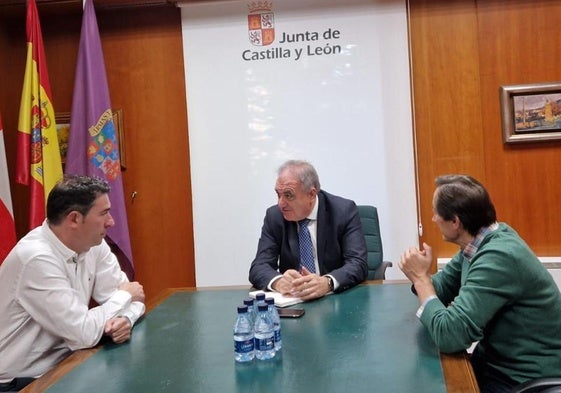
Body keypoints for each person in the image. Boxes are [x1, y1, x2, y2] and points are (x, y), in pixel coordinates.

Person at [398, 174, 561, 393]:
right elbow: (444, 287)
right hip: (492, 363)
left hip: (521, 378)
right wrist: (421, 276)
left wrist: (420, 278)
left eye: (436, 213)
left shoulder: (499, 256)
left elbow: (451, 335)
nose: (434, 218)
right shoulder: (478, 243)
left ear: (455, 222)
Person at [0, 175, 145, 392]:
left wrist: (125, 318)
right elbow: (83, 333)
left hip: (65, 366)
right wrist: (124, 296)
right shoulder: (36, 257)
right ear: (75, 219)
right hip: (20, 383)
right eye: (104, 213)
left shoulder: (93, 243)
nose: (111, 221)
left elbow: (137, 301)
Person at [249, 160, 368, 301]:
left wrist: (327, 282)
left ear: (311, 194)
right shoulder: (274, 216)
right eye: (278, 194)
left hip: (335, 301)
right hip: (293, 303)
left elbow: (358, 263)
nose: (280, 203)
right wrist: (278, 281)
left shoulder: (343, 211)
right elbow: (259, 266)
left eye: (288, 195)